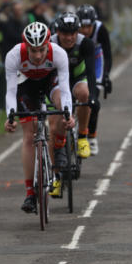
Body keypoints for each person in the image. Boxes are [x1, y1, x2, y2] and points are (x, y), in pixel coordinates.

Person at [4, 22, 74, 213]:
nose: (37, 55)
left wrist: (68, 113)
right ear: (25, 46)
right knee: (29, 134)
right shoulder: (13, 55)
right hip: (25, 84)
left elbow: (66, 90)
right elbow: (10, 92)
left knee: (60, 105)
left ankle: (59, 145)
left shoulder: (59, 54)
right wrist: (10, 116)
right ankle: (30, 193)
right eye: (32, 50)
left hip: (50, 80)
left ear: (48, 45)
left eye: (41, 50)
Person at [51, 12, 97, 161]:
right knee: (58, 113)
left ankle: (83, 135)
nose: (69, 38)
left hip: (78, 77)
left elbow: (90, 72)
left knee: (84, 94)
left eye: (73, 33)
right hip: (57, 80)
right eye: (65, 33)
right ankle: (60, 148)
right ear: (57, 32)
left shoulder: (86, 43)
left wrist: (93, 97)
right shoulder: (50, 44)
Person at [77, 4, 112, 155]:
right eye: (82, 27)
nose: (85, 31)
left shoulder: (101, 29)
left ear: (94, 24)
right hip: (78, 62)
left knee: (92, 101)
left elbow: (108, 54)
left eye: (88, 27)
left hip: (96, 61)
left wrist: (105, 75)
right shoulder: (71, 32)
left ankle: (91, 135)